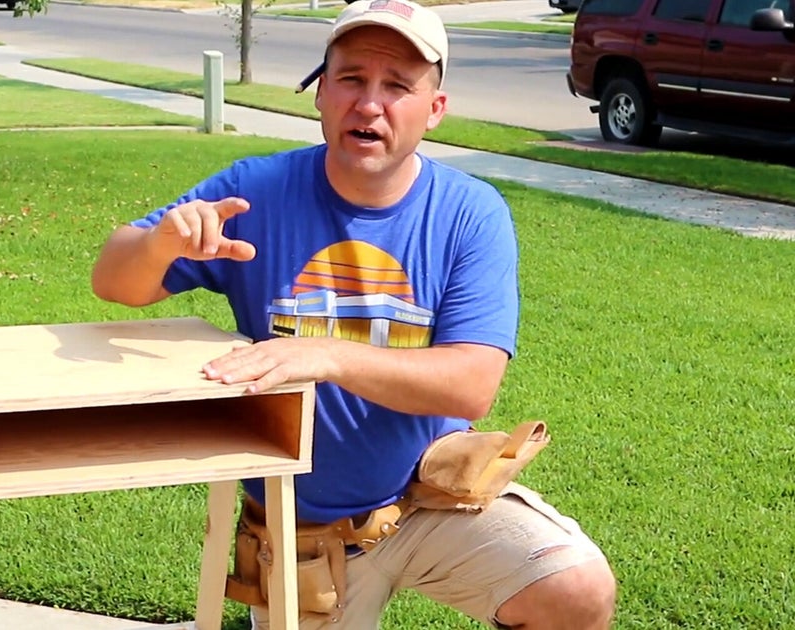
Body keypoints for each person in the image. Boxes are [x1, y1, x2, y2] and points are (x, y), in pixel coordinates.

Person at [89, 0, 617, 627]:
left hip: (432, 496)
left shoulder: (470, 213)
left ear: (435, 110)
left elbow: (473, 384)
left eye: (398, 86)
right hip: (306, 531)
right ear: (320, 94)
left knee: (575, 589)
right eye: (351, 79)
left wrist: (327, 354)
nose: (370, 103)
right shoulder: (254, 192)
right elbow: (113, 281)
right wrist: (161, 244)